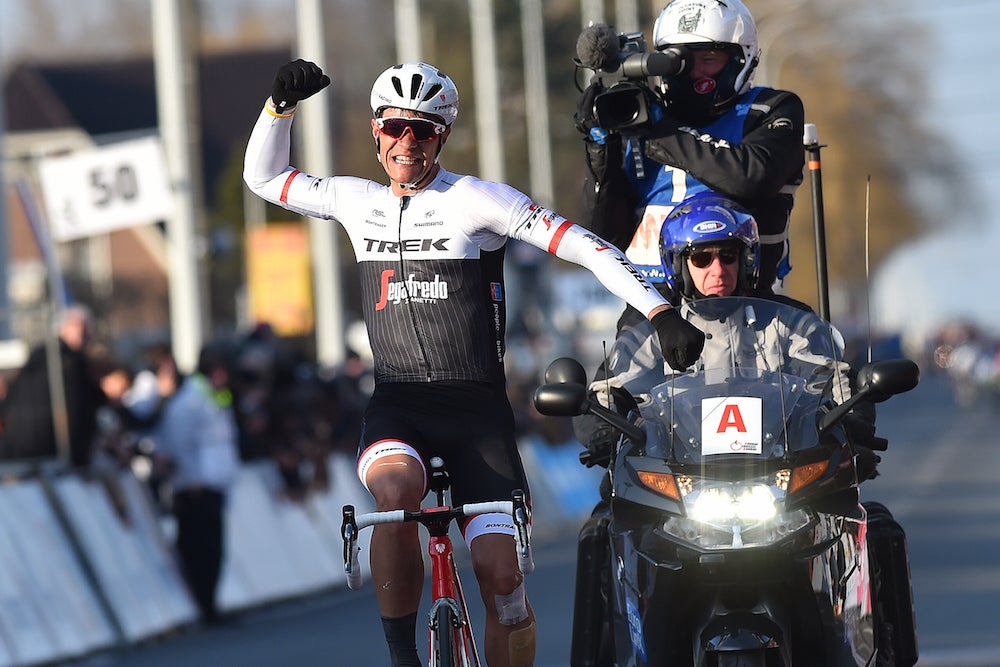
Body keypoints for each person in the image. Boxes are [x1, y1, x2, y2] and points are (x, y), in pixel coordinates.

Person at [243, 59, 706, 667]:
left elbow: (584, 248)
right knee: (396, 495)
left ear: (443, 137)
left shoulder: (476, 201)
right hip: (399, 405)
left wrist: (658, 311)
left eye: (425, 131)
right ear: (378, 132)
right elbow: (264, 176)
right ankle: (403, 657)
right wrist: (278, 108)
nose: (408, 142)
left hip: (477, 413)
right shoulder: (355, 202)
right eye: (397, 128)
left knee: (503, 582)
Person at [574, 0, 805, 298]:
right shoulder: (637, 115)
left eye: (708, 60)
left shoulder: (771, 109)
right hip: (654, 312)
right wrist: (600, 147)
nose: (695, 73)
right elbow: (605, 236)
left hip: (746, 307)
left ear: (741, 58)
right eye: (680, 61)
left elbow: (752, 177)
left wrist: (660, 133)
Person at [151, 343, 240, 626]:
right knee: (199, 552)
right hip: (195, 489)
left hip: (212, 486)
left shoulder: (212, 397)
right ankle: (204, 606)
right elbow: (179, 445)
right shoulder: (189, 402)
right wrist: (191, 480)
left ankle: (210, 604)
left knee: (213, 551)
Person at [0, 304, 106, 468]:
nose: (88, 339)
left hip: (17, 451)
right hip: (51, 451)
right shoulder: (69, 364)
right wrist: (80, 458)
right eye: (85, 332)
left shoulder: (38, 358)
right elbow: (76, 409)